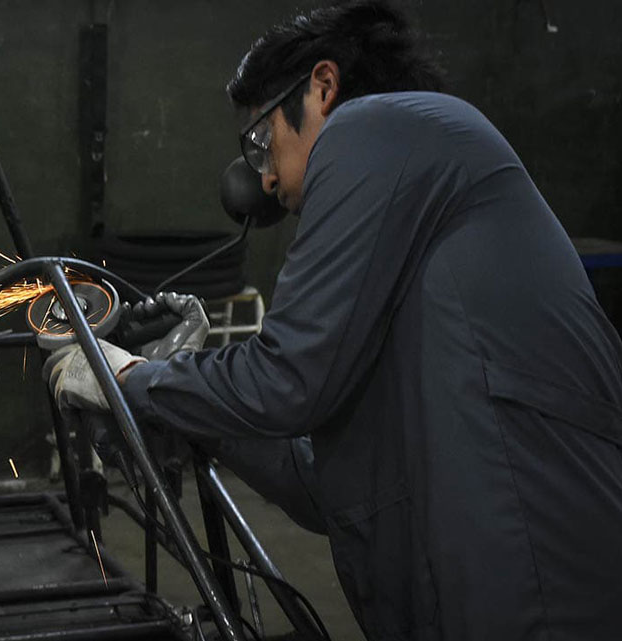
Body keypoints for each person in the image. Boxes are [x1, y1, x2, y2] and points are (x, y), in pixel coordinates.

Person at [43, 1, 622, 639]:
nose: (265, 181)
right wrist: (189, 403)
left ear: (322, 87)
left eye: (262, 142)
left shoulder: (374, 125)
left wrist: (129, 380)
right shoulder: (412, 230)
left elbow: (287, 378)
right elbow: (328, 485)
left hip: (536, 571)